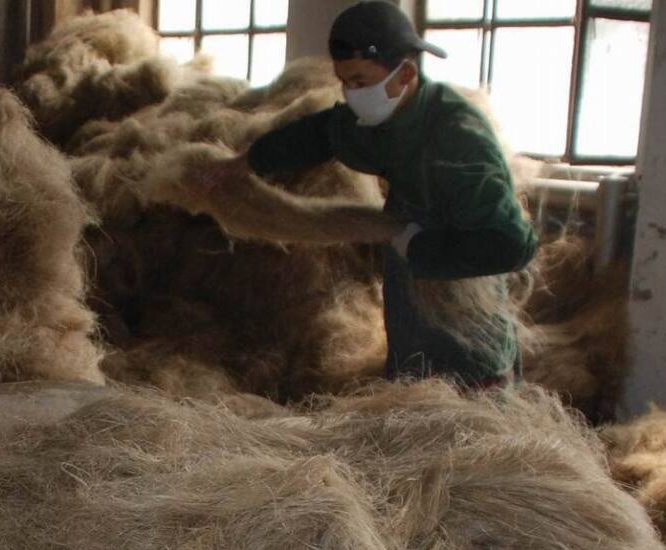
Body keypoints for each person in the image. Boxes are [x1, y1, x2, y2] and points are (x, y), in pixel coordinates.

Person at [205, 0, 537, 388]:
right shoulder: (382, 119)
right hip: (411, 283)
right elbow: (321, 134)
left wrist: (422, 248)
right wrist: (247, 162)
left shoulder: (458, 139)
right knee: (412, 384)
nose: (350, 94)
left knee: (470, 400)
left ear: (405, 74)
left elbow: (514, 245)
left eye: (360, 82)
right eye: (344, 82)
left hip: (464, 301)